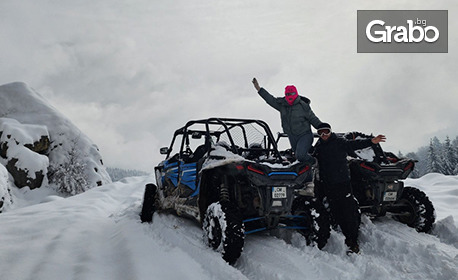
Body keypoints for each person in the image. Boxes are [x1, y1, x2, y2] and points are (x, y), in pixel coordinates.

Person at [312, 122, 386, 254]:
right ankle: (335, 235)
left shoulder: (339, 142)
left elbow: (354, 144)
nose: (323, 135)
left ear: (330, 132)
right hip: (327, 185)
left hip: (342, 184)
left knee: (348, 211)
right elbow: (310, 155)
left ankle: (352, 241)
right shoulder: (319, 146)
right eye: (320, 133)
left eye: (326, 132)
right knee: (333, 210)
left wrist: (372, 141)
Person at [252, 77, 322, 165]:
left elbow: (313, 118)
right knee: (298, 157)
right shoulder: (282, 105)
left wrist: (322, 127)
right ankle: (309, 172)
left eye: (292, 93)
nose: (290, 96)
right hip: (292, 136)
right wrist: (259, 89)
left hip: (305, 135)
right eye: (288, 94)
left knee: (300, 155)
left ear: (296, 94)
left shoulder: (303, 106)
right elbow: (270, 99)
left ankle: (314, 162)